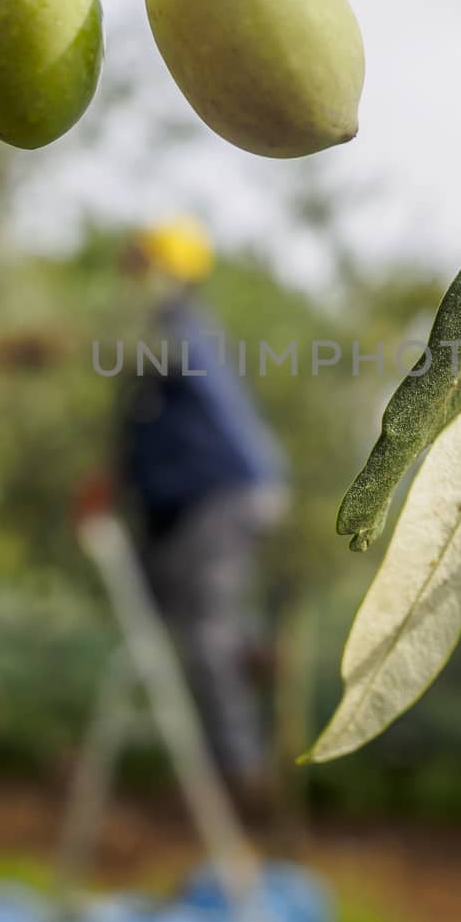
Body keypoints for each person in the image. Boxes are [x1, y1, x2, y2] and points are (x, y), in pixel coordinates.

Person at [114, 217, 289, 814]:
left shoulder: (172, 331)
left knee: (203, 628)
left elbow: (135, 403)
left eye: (139, 264)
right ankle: (250, 649)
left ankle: (242, 771)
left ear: (164, 271)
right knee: (167, 599)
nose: (128, 276)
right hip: (217, 493)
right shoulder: (181, 329)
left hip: (220, 492)